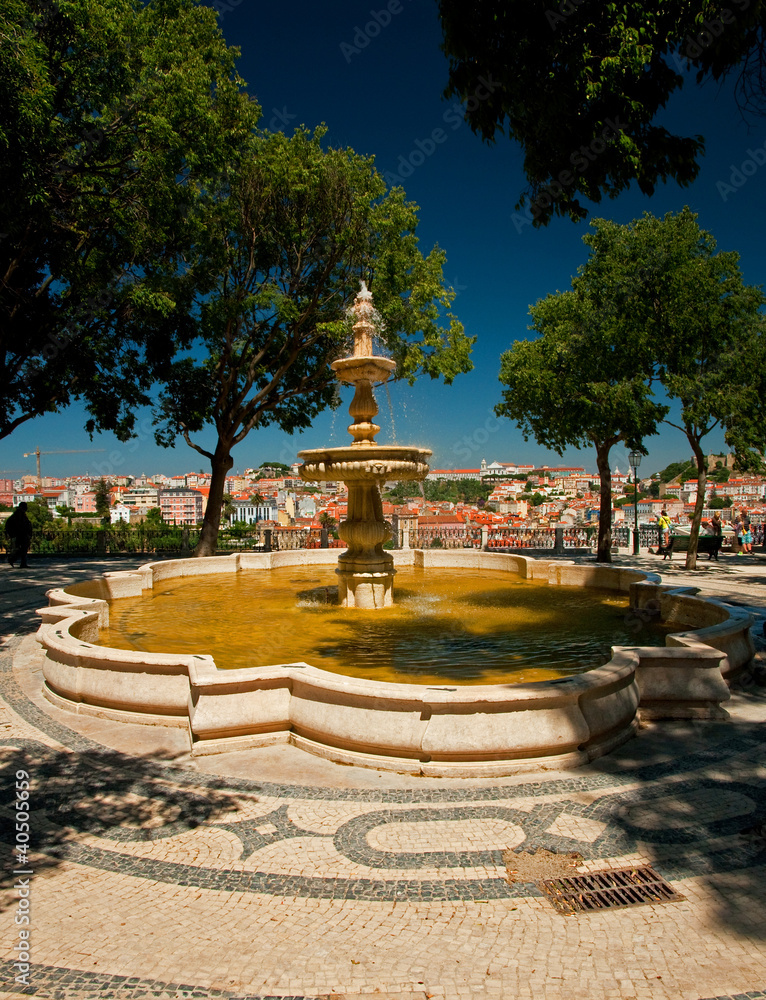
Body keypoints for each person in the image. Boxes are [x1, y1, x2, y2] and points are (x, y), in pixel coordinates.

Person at [4, 502, 33, 568]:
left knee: (22, 549)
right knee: (21, 549)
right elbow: (21, 525)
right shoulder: (18, 515)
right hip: (20, 535)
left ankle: (18, 561)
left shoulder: (19, 514)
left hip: (21, 535)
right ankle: (14, 560)